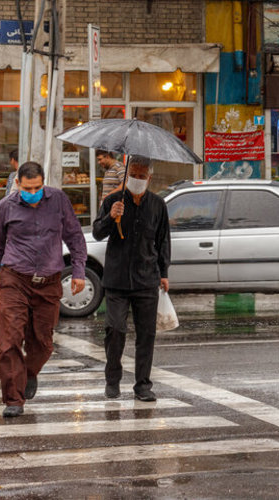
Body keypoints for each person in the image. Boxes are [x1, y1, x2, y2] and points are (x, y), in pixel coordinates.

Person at [0, 161, 87, 418]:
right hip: (14, 280)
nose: (33, 193)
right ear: (18, 184)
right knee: (9, 342)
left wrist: (79, 270)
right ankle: (13, 400)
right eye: (28, 188)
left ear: (44, 182)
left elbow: (74, 236)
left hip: (48, 282)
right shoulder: (5, 207)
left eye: (38, 187)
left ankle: (28, 372)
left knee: (43, 343)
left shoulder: (59, 200)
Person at [92, 156, 170, 401]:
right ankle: (112, 380)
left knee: (146, 334)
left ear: (149, 178)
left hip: (147, 279)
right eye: (132, 175)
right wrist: (110, 217)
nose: (136, 179)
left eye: (141, 176)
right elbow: (97, 233)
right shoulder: (113, 201)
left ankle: (143, 385)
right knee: (115, 330)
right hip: (116, 280)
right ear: (126, 176)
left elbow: (163, 240)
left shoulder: (158, 205)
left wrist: (164, 272)